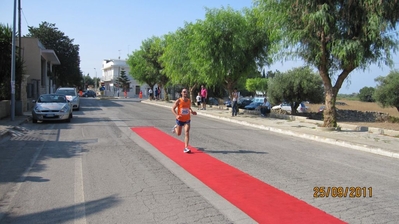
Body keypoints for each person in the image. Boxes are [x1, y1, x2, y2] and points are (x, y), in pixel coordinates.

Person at [171, 88, 197, 153]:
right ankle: (175, 128)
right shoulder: (178, 101)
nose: (185, 93)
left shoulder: (189, 101)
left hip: (187, 120)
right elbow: (172, 109)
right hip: (180, 120)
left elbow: (189, 108)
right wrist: (176, 115)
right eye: (184, 92)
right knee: (178, 134)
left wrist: (192, 112)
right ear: (181, 93)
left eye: (186, 92)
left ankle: (186, 147)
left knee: (187, 132)